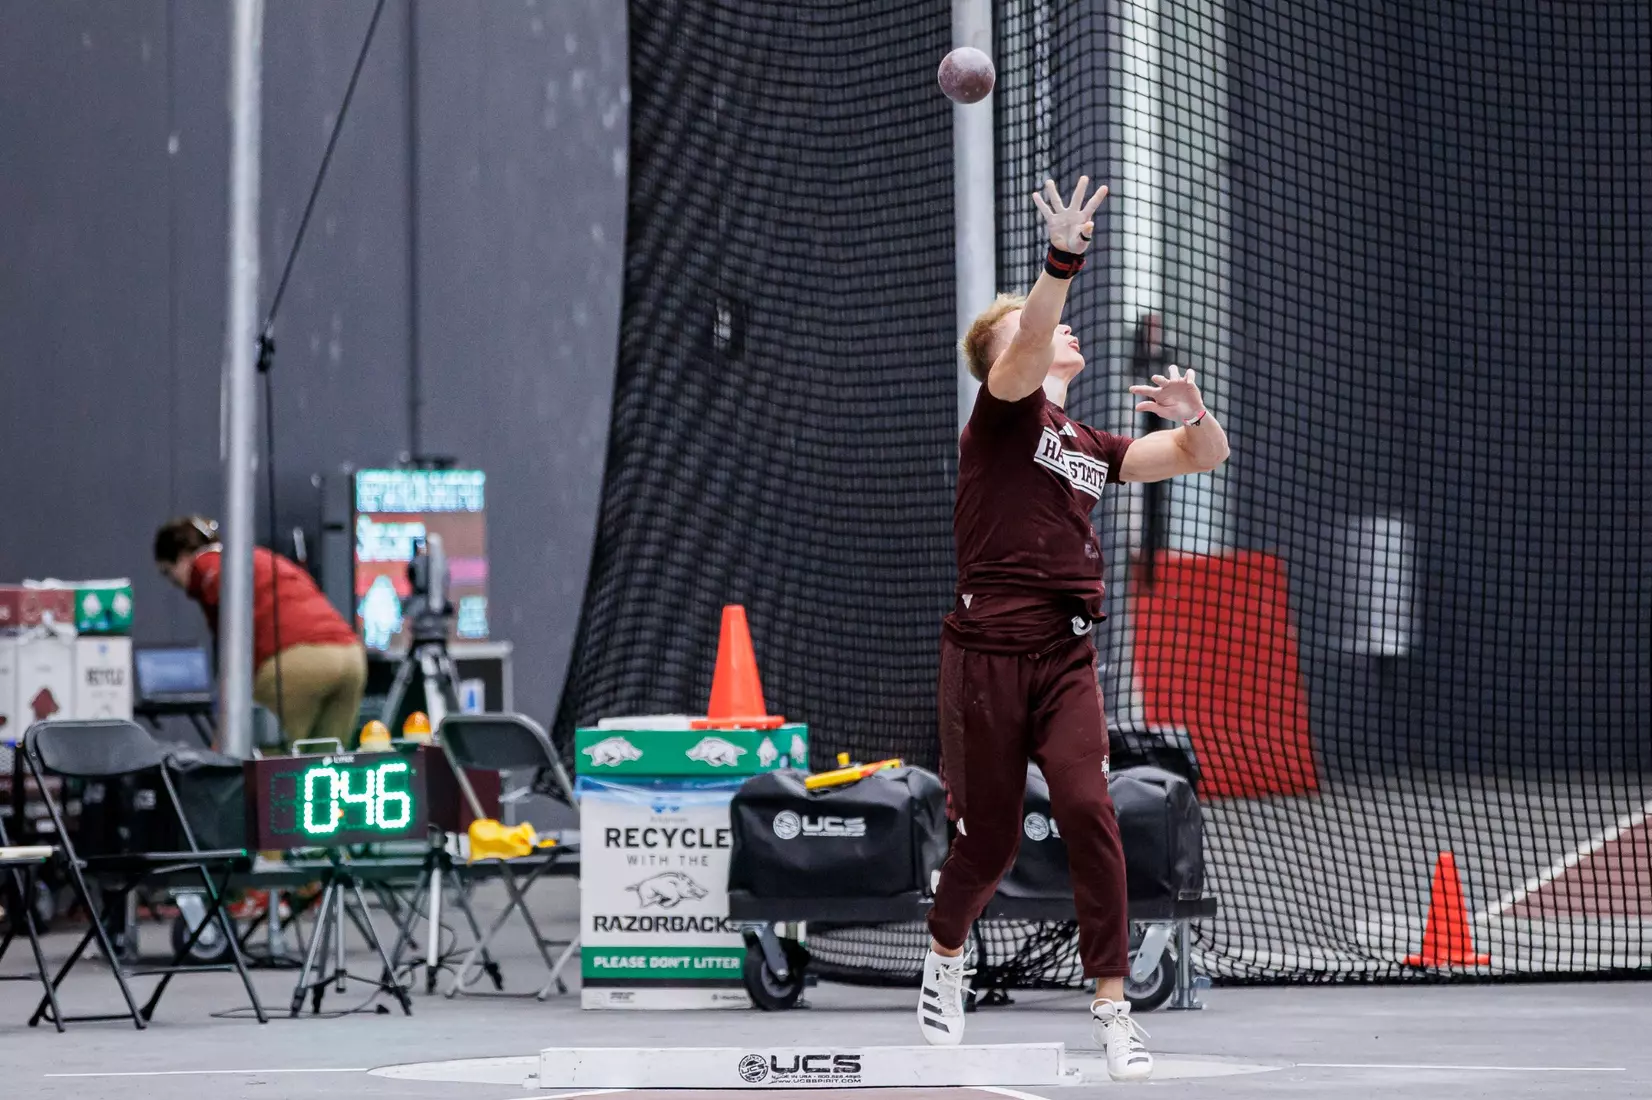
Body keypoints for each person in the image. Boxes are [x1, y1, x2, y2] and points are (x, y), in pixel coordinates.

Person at [918, 177, 1230, 1080]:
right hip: (984, 654)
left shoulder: (1089, 444)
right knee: (991, 844)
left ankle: (1112, 1009)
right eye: (1044, 322)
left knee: (1093, 811)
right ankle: (944, 953)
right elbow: (1018, 355)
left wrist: (1194, 413)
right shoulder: (1002, 418)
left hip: (1063, 652)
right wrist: (1061, 260)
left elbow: (1200, 456)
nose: (1065, 329)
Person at [155, 516, 367, 751]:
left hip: (298, 662)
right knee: (325, 762)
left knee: (263, 767)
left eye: (168, 572)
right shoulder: (261, 557)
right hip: (351, 657)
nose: (174, 583)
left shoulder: (207, 567)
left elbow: (232, 647)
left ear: (183, 557)